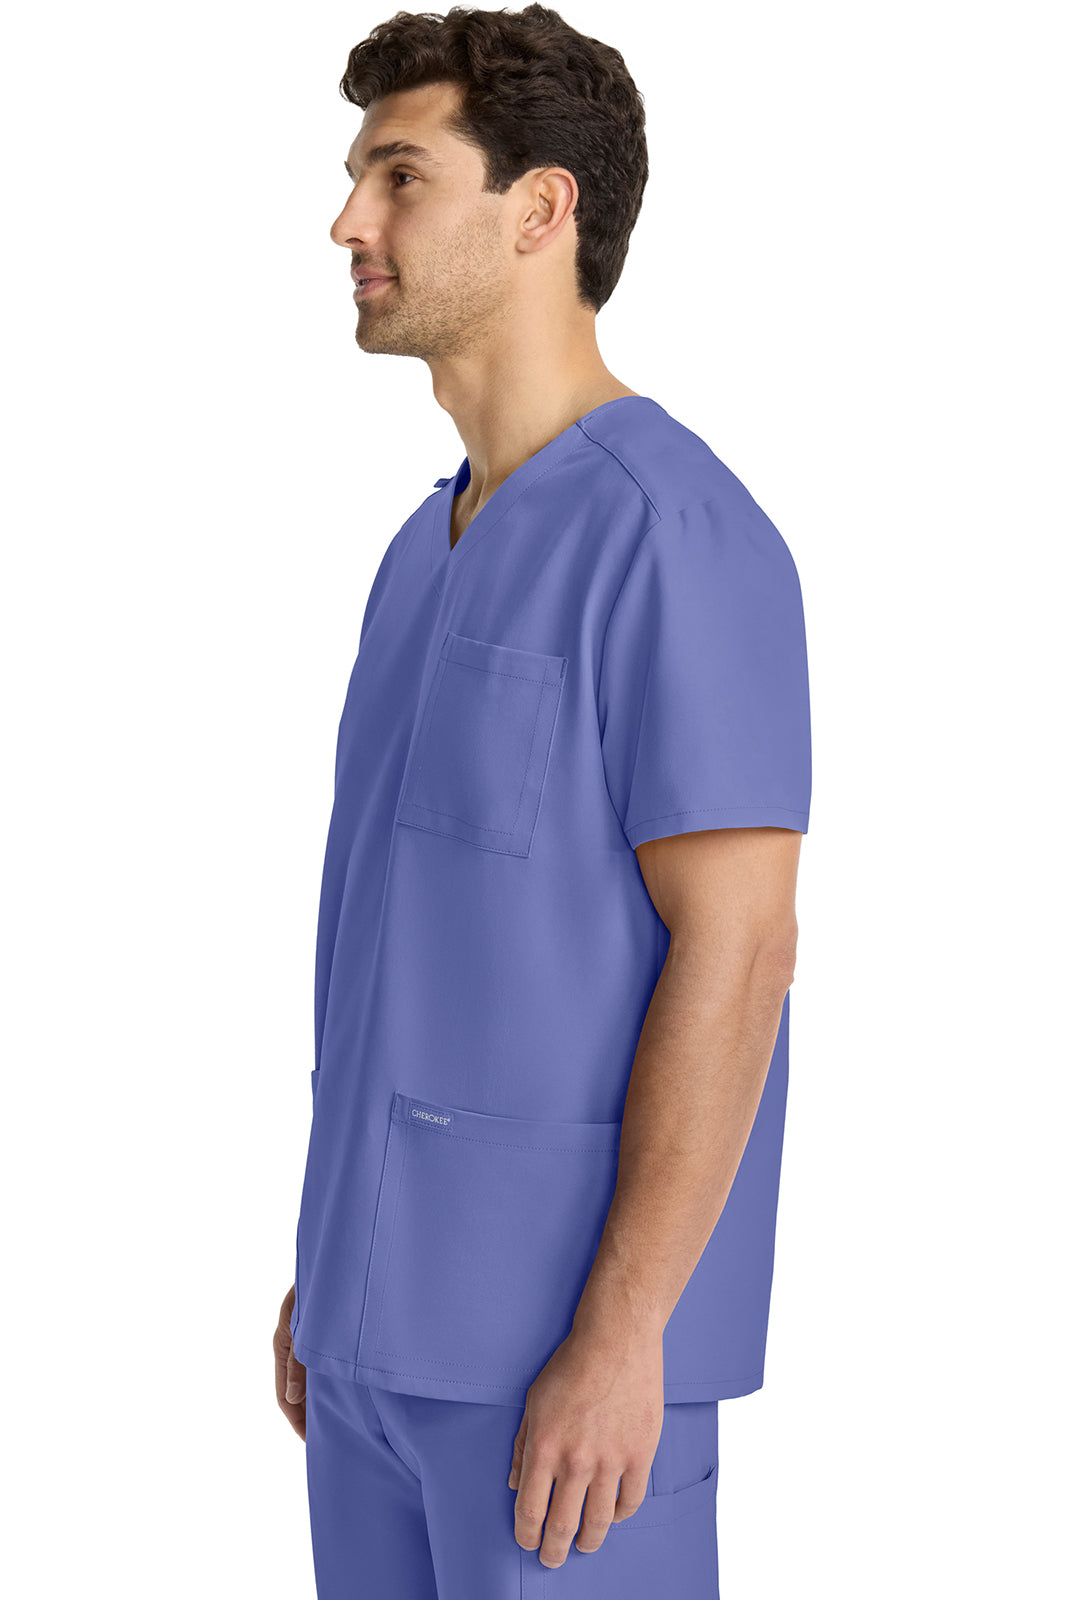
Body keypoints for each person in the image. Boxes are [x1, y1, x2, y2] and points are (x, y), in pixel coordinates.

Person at [272, 7, 811, 1596]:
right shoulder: (419, 551)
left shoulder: (676, 537)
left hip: (563, 1380)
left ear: (540, 210)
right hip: (369, 1352)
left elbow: (742, 953)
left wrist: (627, 1331)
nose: (348, 222)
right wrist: (333, 1270)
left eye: (399, 177)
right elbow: (416, 945)